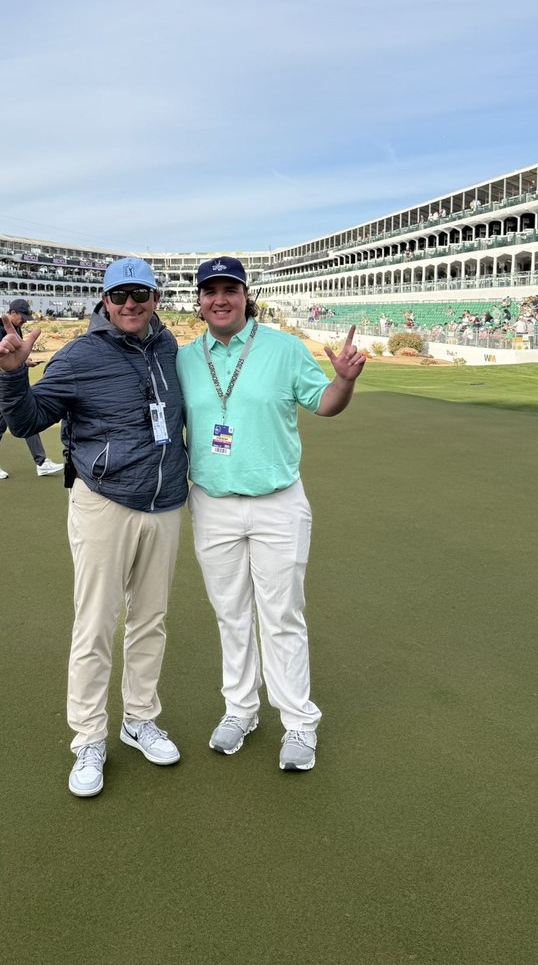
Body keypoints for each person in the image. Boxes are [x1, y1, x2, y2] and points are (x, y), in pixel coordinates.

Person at [0, 259, 189, 798]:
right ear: (104, 300)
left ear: (154, 297)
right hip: (104, 502)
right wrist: (10, 375)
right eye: (119, 295)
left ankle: (139, 718)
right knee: (96, 623)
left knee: (151, 620)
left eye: (140, 294)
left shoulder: (170, 350)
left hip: (166, 502)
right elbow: (27, 421)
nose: (130, 304)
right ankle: (88, 738)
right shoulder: (79, 355)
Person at [176, 256, 365, 774]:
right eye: (209, 290)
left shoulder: (281, 347)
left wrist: (344, 381)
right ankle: (240, 709)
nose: (220, 298)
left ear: (244, 295)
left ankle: (299, 721)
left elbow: (324, 403)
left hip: (277, 503)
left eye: (229, 289)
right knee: (231, 614)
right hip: (212, 504)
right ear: (198, 300)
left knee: (281, 615)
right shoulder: (187, 358)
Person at [0, 299, 63, 480]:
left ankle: (40, 462)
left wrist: (25, 362)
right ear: (12, 313)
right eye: (22, 316)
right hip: (5, 386)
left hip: (15, 385)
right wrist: (10, 369)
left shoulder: (16, 328)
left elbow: (15, 355)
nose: (24, 320)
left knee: (23, 417)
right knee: (5, 423)